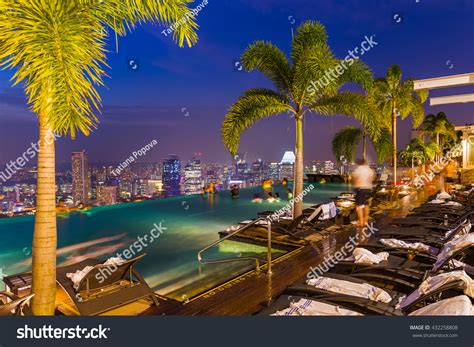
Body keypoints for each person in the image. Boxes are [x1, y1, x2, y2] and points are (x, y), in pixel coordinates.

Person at [352, 159, 374, 228]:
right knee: (366, 205)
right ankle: (366, 221)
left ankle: (361, 222)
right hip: (369, 189)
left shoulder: (359, 169)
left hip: (361, 189)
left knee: (359, 206)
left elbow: (355, 179)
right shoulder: (369, 170)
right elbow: (372, 178)